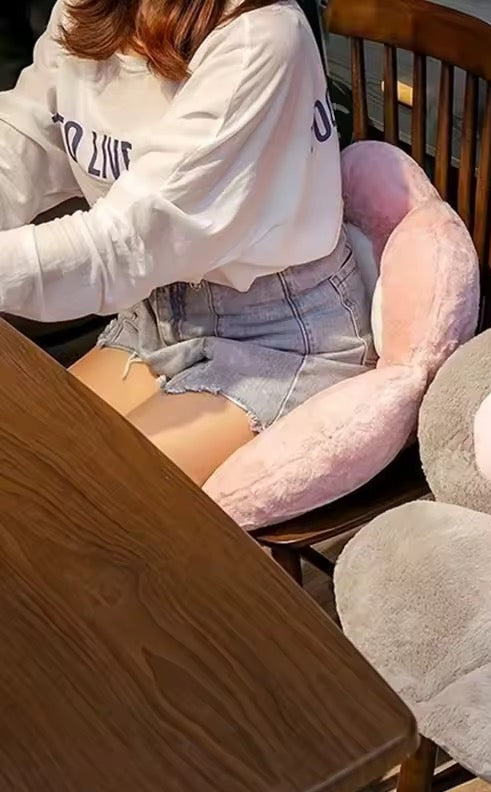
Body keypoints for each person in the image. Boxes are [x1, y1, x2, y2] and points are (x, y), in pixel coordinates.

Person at [0, 0, 371, 485]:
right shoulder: (87, 9)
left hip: (285, 335)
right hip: (158, 312)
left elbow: (127, 241)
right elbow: (22, 138)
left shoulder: (259, 36)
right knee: (23, 470)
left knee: (73, 504)